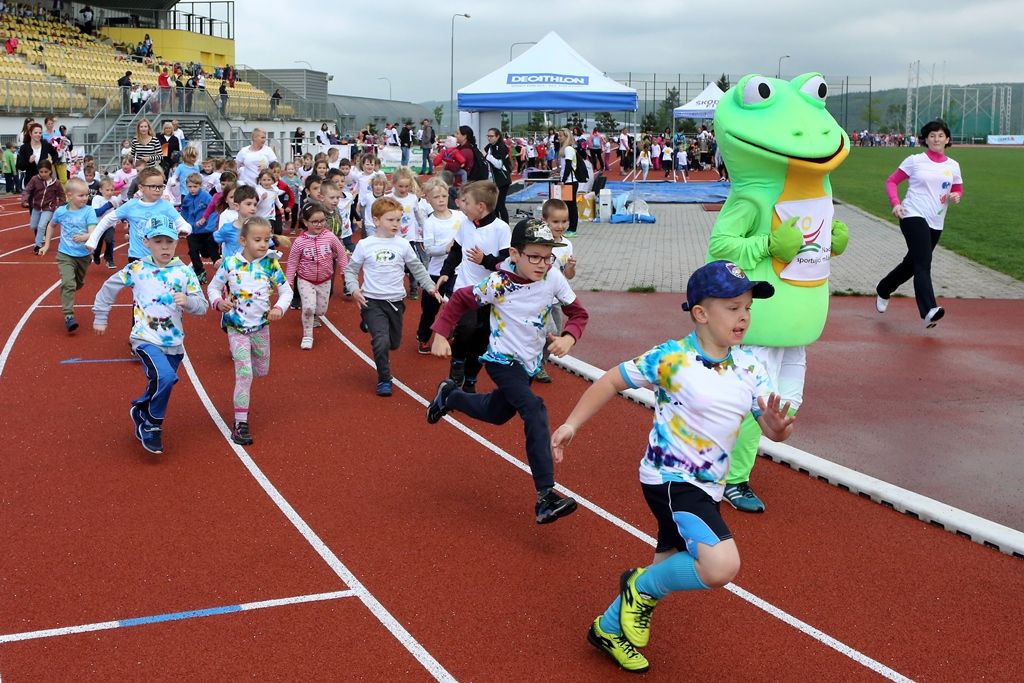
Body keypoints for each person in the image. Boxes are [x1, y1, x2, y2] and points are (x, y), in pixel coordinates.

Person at [550, 260, 795, 673]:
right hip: (669, 478)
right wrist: (572, 424)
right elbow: (612, 379)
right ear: (700, 313)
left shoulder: (751, 366)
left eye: (748, 307)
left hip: (709, 486)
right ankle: (635, 587)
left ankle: (608, 629)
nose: (744, 316)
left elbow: (771, 426)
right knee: (720, 566)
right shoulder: (672, 358)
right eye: (733, 307)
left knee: (667, 568)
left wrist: (776, 429)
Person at [426, 219, 587, 524]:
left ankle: (450, 397)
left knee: (497, 413)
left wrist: (569, 336)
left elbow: (578, 312)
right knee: (534, 408)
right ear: (514, 253)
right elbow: (460, 300)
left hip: (528, 363)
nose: (542, 264)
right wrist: (440, 333)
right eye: (534, 257)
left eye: (548, 256)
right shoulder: (499, 283)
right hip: (501, 361)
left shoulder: (553, 278)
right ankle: (545, 497)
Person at [92, 217, 207, 455]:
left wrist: (188, 302)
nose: (164, 247)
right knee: (165, 378)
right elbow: (108, 288)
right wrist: (100, 316)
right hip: (144, 338)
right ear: (147, 242)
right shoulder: (137, 269)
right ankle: (153, 425)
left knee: (162, 383)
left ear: (177, 243)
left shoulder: (184, 272)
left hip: (174, 342)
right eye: (158, 241)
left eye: (169, 241)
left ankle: (141, 411)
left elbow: (202, 306)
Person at [207, 216, 292, 446]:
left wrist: (279, 308)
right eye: (257, 240)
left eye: (266, 239)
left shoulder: (270, 264)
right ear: (244, 240)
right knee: (245, 373)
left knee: (261, 369)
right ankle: (240, 423)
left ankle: (255, 369)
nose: (263, 244)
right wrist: (218, 302)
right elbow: (213, 287)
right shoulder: (230, 264)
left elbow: (286, 291)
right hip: (236, 326)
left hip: (261, 327)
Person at [345, 197, 440, 396]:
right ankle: (384, 379)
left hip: (396, 301)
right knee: (381, 342)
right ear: (376, 220)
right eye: (391, 220)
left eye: (399, 220)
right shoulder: (365, 244)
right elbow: (351, 271)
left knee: (394, 343)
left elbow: (418, 269)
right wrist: (354, 290)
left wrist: (430, 287)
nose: (396, 224)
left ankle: (369, 324)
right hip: (371, 301)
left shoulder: (403, 245)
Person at [875, 120, 963, 329]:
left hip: (936, 221)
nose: (936, 139)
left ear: (947, 139)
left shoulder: (953, 166)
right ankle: (928, 311)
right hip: (912, 214)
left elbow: (958, 188)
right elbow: (891, 181)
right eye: (932, 135)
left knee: (912, 264)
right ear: (926, 139)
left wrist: (956, 195)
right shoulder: (915, 160)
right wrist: (896, 204)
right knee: (924, 263)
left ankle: (884, 288)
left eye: (941, 135)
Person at [435, 181, 511, 392]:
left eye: (465, 202)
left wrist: (484, 260)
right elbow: (457, 251)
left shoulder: (501, 229)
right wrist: (445, 273)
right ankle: (457, 366)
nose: (461, 205)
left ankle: (470, 377)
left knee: (482, 338)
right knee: (465, 329)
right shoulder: (466, 224)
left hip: (490, 293)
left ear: (481, 206)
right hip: (465, 289)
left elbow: (505, 263)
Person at [84, 167, 192, 263]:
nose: (158, 190)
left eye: (160, 186)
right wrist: (92, 240)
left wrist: (183, 230)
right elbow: (107, 220)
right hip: (137, 258)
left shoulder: (166, 206)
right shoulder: (131, 205)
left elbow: (184, 224)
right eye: (153, 186)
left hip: (159, 258)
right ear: (141, 187)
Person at [38, 178, 98, 333]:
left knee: (77, 283)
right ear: (69, 196)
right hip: (65, 254)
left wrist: (85, 237)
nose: (85, 198)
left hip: (84, 255)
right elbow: (51, 225)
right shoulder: (61, 211)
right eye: (81, 195)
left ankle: (68, 288)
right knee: (69, 283)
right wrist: (46, 244)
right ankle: (68, 315)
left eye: (86, 195)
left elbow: (93, 231)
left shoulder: (89, 211)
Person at [287, 202, 348, 350]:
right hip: (305, 279)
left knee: (320, 311)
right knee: (308, 308)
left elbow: (341, 253)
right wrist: (288, 281)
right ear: (305, 222)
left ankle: (314, 314)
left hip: (325, 280)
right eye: (315, 221)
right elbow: (292, 261)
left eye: (322, 221)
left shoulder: (330, 237)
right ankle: (307, 335)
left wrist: (345, 271)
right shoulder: (300, 242)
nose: (319, 224)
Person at [416, 177, 463, 353]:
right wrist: (446, 248)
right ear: (428, 198)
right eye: (436, 197)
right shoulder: (430, 222)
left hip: (458, 270)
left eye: (444, 196)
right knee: (430, 309)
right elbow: (428, 249)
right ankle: (423, 337)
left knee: (454, 302)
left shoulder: (459, 216)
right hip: (436, 272)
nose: (441, 200)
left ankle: (449, 331)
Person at [21, 160, 64, 254]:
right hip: (36, 206)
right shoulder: (34, 179)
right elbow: (27, 190)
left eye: (46, 172)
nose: (43, 174)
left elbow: (61, 196)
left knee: (41, 226)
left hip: (48, 208)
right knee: (33, 226)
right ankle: (43, 231)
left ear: (50, 171)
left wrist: (59, 207)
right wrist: (24, 200)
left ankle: (37, 246)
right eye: (41, 172)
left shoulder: (56, 183)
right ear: (38, 171)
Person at [180, 172, 215, 283]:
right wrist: (184, 224)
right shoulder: (187, 199)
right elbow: (184, 211)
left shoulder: (205, 196)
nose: (192, 189)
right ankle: (199, 272)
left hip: (206, 231)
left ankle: (222, 271)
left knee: (209, 252)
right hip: (193, 231)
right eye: (190, 187)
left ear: (200, 185)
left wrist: (209, 225)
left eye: (195, 186)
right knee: (193, 251)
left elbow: (212, 210)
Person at [17, 122, 59, 188]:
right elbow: (20, 166)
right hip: (30, 181)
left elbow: (55, 154)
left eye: (40, 133)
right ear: (30, 134)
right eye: (35, 133)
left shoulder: (46, 145)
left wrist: (51, 162)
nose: (38, 135)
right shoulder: (24, 148)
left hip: (45, 181)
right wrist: (29, 161)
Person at [90, 177, 120, 269]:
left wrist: (123, 219)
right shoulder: (97, 199)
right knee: (98, 242)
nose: (110, 192)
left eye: (112, 190)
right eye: (107, 190)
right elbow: (96, 213)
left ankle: (109, 259)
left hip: (110, 225)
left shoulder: (114, 199)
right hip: (99, 225)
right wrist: (108, 205)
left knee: (109, 240)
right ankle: (96, 254)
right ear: (101, 190)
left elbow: (118, 210)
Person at [483, 128, 512, 223]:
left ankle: (505, 225)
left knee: (500, 205)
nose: (489, 138)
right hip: (495, 181)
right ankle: (495, 225)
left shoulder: (501, 147)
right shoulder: (490, 146)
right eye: (488, 136)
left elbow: (499, 164)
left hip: (502, 180)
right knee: (493, 205)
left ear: (497, 136)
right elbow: (482, 152)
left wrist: (487, 156)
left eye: (491, 136)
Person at [558, 128, 580, 236]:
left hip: (570, 181)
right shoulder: (565, 149)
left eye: (560, 136)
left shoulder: (568, 149)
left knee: (571, 206)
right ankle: (570, 227)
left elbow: (568, 166)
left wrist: (563, 180)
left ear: (566, 137)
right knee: (567, 205)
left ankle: (573, 229)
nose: (559, 138)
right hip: (568, 181)